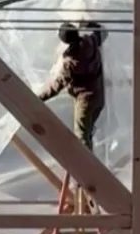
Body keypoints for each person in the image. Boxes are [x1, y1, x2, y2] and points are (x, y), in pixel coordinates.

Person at [37, 21, 106, 150]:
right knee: (88, 133)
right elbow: (103, 33)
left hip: (85, 101)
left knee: (82, 138)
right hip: (99, 95)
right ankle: (90, 166)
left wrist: (38, 98)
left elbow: (57, 86)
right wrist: (89, 24)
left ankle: (87, 167)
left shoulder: (70, 62)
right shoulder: (91, 42)